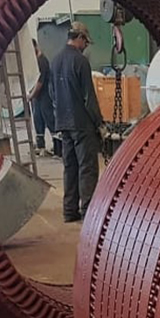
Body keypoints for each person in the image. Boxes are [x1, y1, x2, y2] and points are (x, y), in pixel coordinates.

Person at [50, 21, 103, 223]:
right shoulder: (80, 61)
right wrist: (99, 122)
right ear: (79, 38)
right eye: (86, 42)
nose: (86, 46)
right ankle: (88, 212)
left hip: (63, 123)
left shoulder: (55, 60)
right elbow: (88, 97)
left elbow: (52, 94)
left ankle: (69, 211)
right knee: (87, 168)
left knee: (70, 167)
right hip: (81, 124)